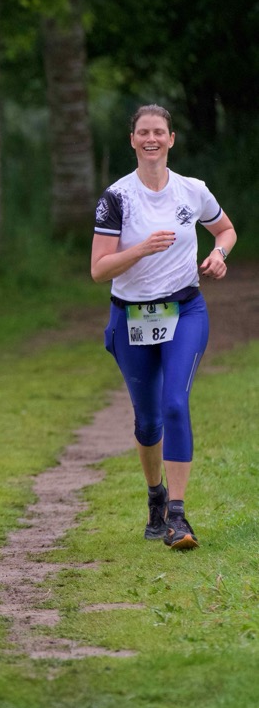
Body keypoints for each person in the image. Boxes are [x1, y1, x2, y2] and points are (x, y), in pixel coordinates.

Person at [91, 103, 236, 551]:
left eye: (159, 132)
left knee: (175, 403)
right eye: (143, 132)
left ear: (171, 139)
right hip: (131, 316)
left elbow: (226, 230)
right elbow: (98, 269)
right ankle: (155, 497)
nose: (151, 139)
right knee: (148, 420)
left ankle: (177, 515)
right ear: (132, 141)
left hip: (185, 310)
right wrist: (141, 249)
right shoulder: (116, 198)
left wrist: (219, 254)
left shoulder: (192, 190)